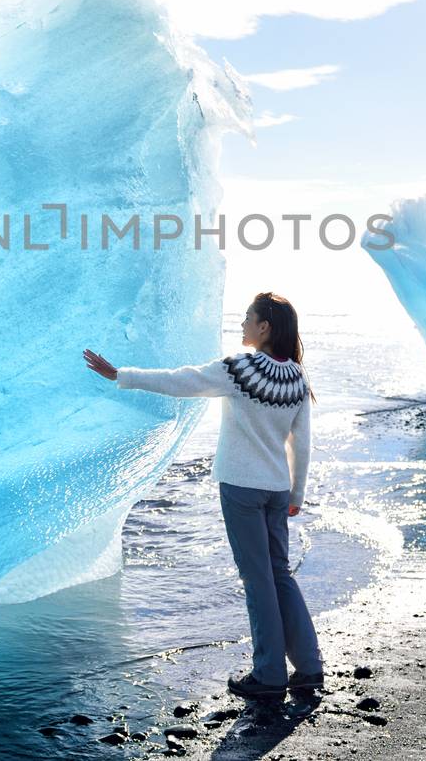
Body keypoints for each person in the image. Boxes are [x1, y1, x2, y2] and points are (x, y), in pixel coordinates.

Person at [83, 291, 324, 701]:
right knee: (279, 574)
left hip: (242, 487)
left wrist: (121, 375)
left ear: (264, 327)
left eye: (248, 318)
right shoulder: (298, 378)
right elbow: (302, 443)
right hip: (276, 488)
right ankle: (309, 667)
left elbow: (182, 381)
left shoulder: (240, 369)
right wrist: (296, 492)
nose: (243, 324)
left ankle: (268, 674)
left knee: (258, 580)